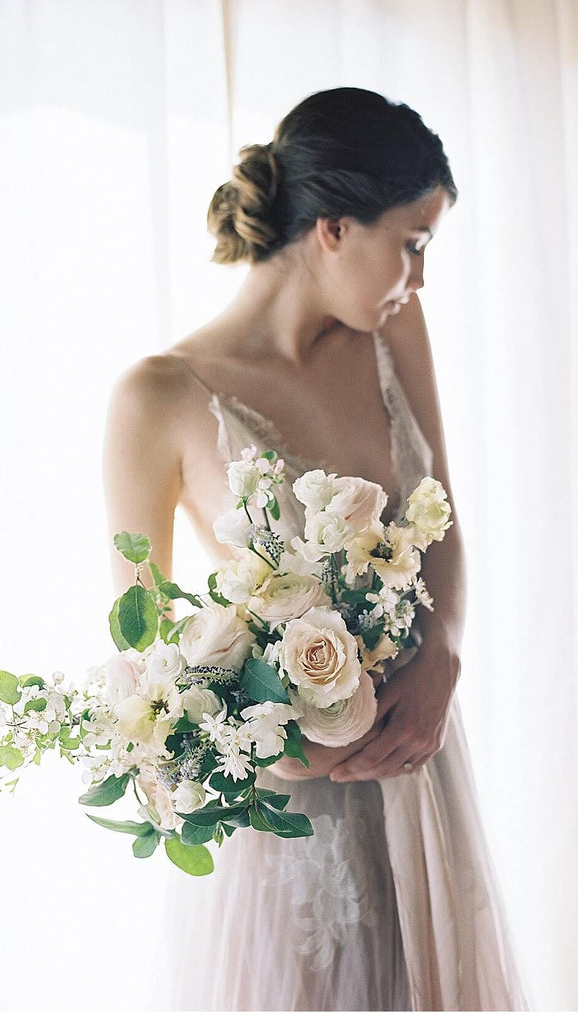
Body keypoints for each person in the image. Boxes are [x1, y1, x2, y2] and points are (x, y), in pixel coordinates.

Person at [102, 87, 529, 1011]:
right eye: (411, 246)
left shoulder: (389, 331)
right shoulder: (158, 396)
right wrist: (272, 750)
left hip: (417, 754)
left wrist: (444, 656)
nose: (417, 279)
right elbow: (145, 645)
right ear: (334, 229)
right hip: (290, 810)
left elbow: (438, 508)